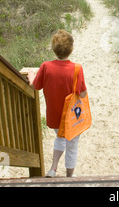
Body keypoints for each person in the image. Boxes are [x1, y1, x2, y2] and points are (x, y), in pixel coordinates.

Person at [28, 29, 87, 178]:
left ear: (53, 49)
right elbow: (82, 93)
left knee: (60, 138)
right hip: (72, 117)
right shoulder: (77, 69)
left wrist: (31, 77)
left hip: (55, 116)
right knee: (72, 145)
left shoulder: (46, 66)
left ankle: (53, 168)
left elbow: (35, 86)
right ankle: (69, 176)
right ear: (71, 49)